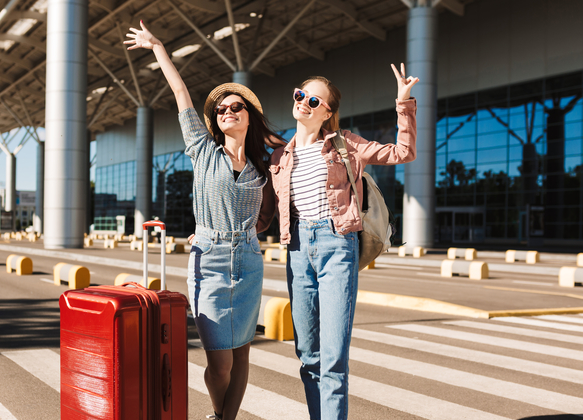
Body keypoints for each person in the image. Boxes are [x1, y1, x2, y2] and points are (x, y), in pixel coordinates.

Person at [125, 21, 284, 420]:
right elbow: (180, 93)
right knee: (220, 363)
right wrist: (158, 45)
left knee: (243, 350)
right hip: (208, 259)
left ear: (249, 117)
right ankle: (220, 414)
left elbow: (270, 211)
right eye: (221, 109)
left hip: (248, 259)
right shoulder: (203, 150)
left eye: (236, 107)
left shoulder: (263, 166)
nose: (228, 111)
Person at [261, 67, 418, 420]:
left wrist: (404, 102)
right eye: (299, 95)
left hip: (336, 246)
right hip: (298, 250)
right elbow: (264, 216)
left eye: (313, 100)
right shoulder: (279, 158)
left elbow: (404, 152)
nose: (303, 102)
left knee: (332, 358)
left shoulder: (345, 144)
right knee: (308, 355)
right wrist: (212, 230)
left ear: (327, 112)